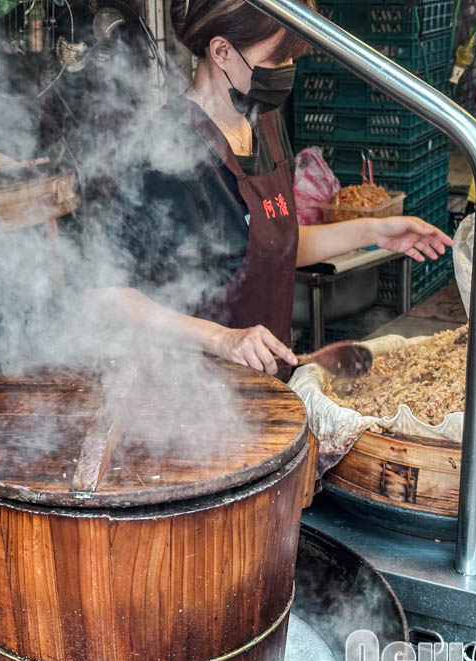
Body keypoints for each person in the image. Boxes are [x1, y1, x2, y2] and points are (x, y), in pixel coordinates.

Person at [102, 0, 452, 378]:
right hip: (193, 395)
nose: (287, 72)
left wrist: (373, 231)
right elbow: (110, 297)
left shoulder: (264, 125)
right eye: (276, 59)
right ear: (222, 52)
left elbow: (271, 247)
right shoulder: (167, 152)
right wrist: (221, 339)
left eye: (292, 58)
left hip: (266, 386)